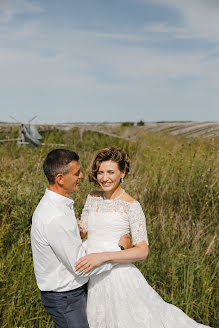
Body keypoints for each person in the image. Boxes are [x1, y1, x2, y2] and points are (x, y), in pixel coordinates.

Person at [75, 147, 210, 328]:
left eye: (110, 172)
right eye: (100, 172)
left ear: (122, 172)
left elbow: (142, 251)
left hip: (118, 278)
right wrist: (77, 228)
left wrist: (104, 256)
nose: (104, 178)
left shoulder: (131, 206)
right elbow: (84, 231)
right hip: (92, 277)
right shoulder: (92, 197)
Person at [31, 149, 131, 328]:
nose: (82, 176)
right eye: (76, 173)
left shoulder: (61, 205)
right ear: (60, 178)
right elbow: (80, 267)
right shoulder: (55, 216)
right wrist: (119, 251)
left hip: (72, 293)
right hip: (66, 298)